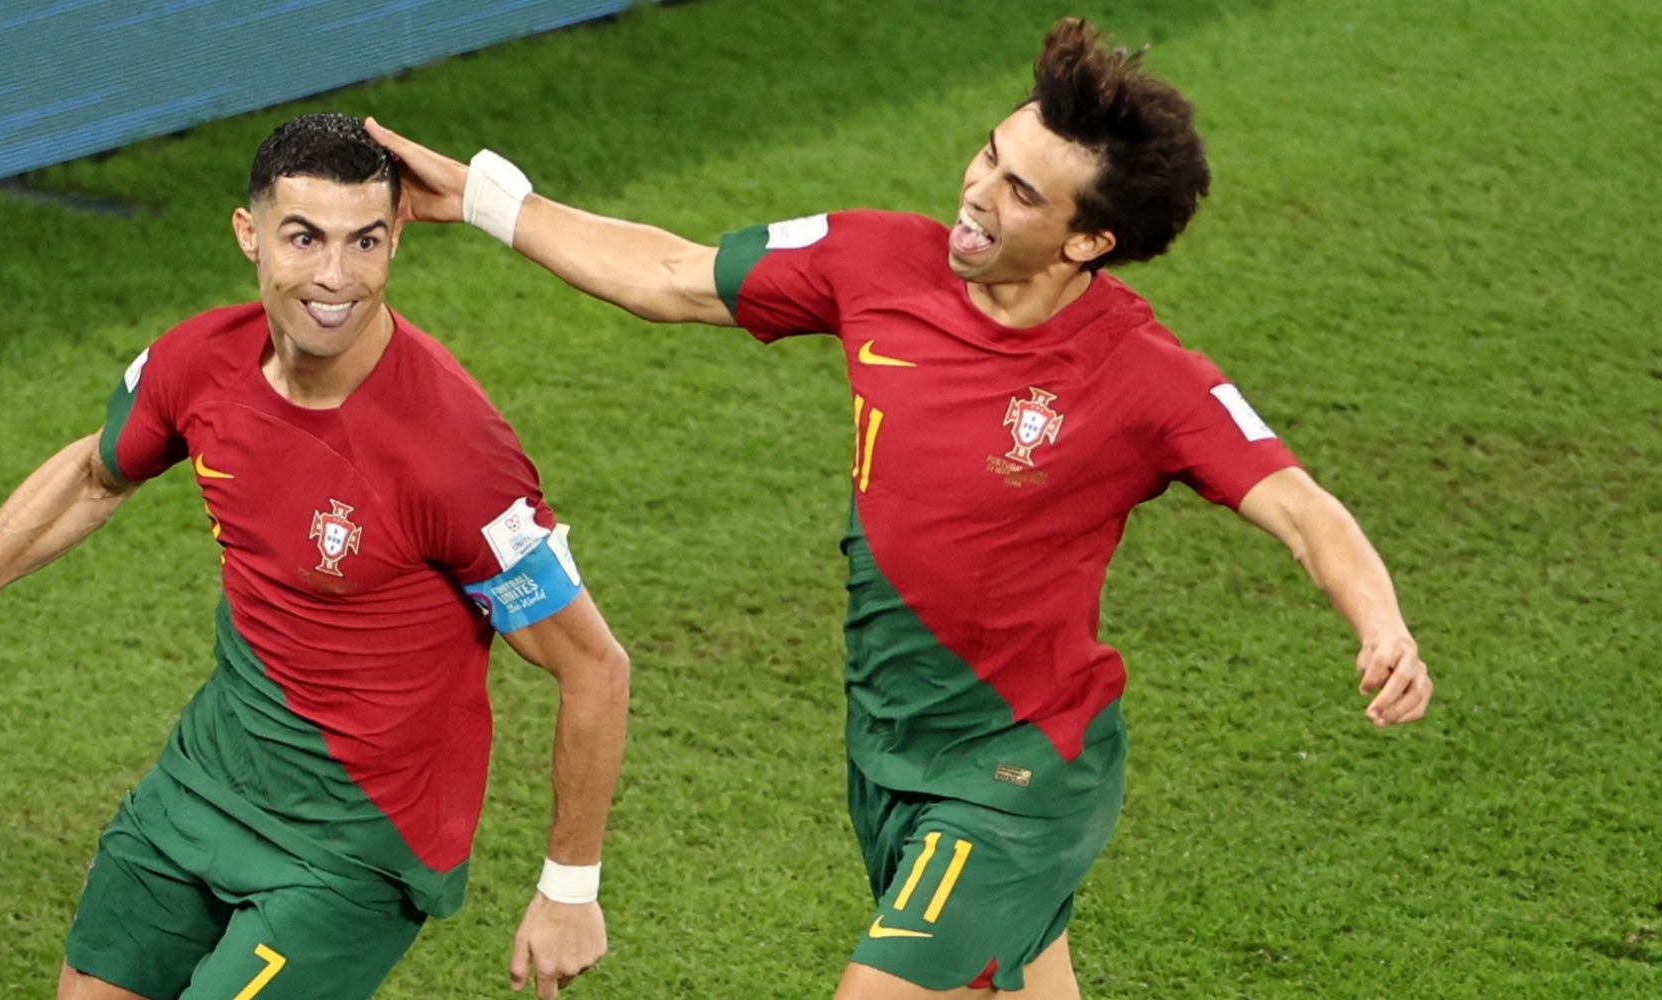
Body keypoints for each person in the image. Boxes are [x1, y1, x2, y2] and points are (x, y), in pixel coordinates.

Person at [364, 18, 1432, 1000]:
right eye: (987, 156)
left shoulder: (1143, 377)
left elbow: (1297, 504)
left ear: (1086, 243)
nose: (976, 192)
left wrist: (1376, 619)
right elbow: (674, 274)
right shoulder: (875, 258)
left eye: (1021, 193)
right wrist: (483, 200)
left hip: (1018, 774)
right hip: (888, 746)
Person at [0, 113, 630, 1000]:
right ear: (250, 236)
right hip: (206, 782)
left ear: (398, 237)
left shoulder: (458, 455)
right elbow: (93, 476)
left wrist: (568, 887)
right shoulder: (199, 363)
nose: (334, 277)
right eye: (304, 238)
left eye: (365, 242)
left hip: (355, 844)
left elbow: (593, 664)